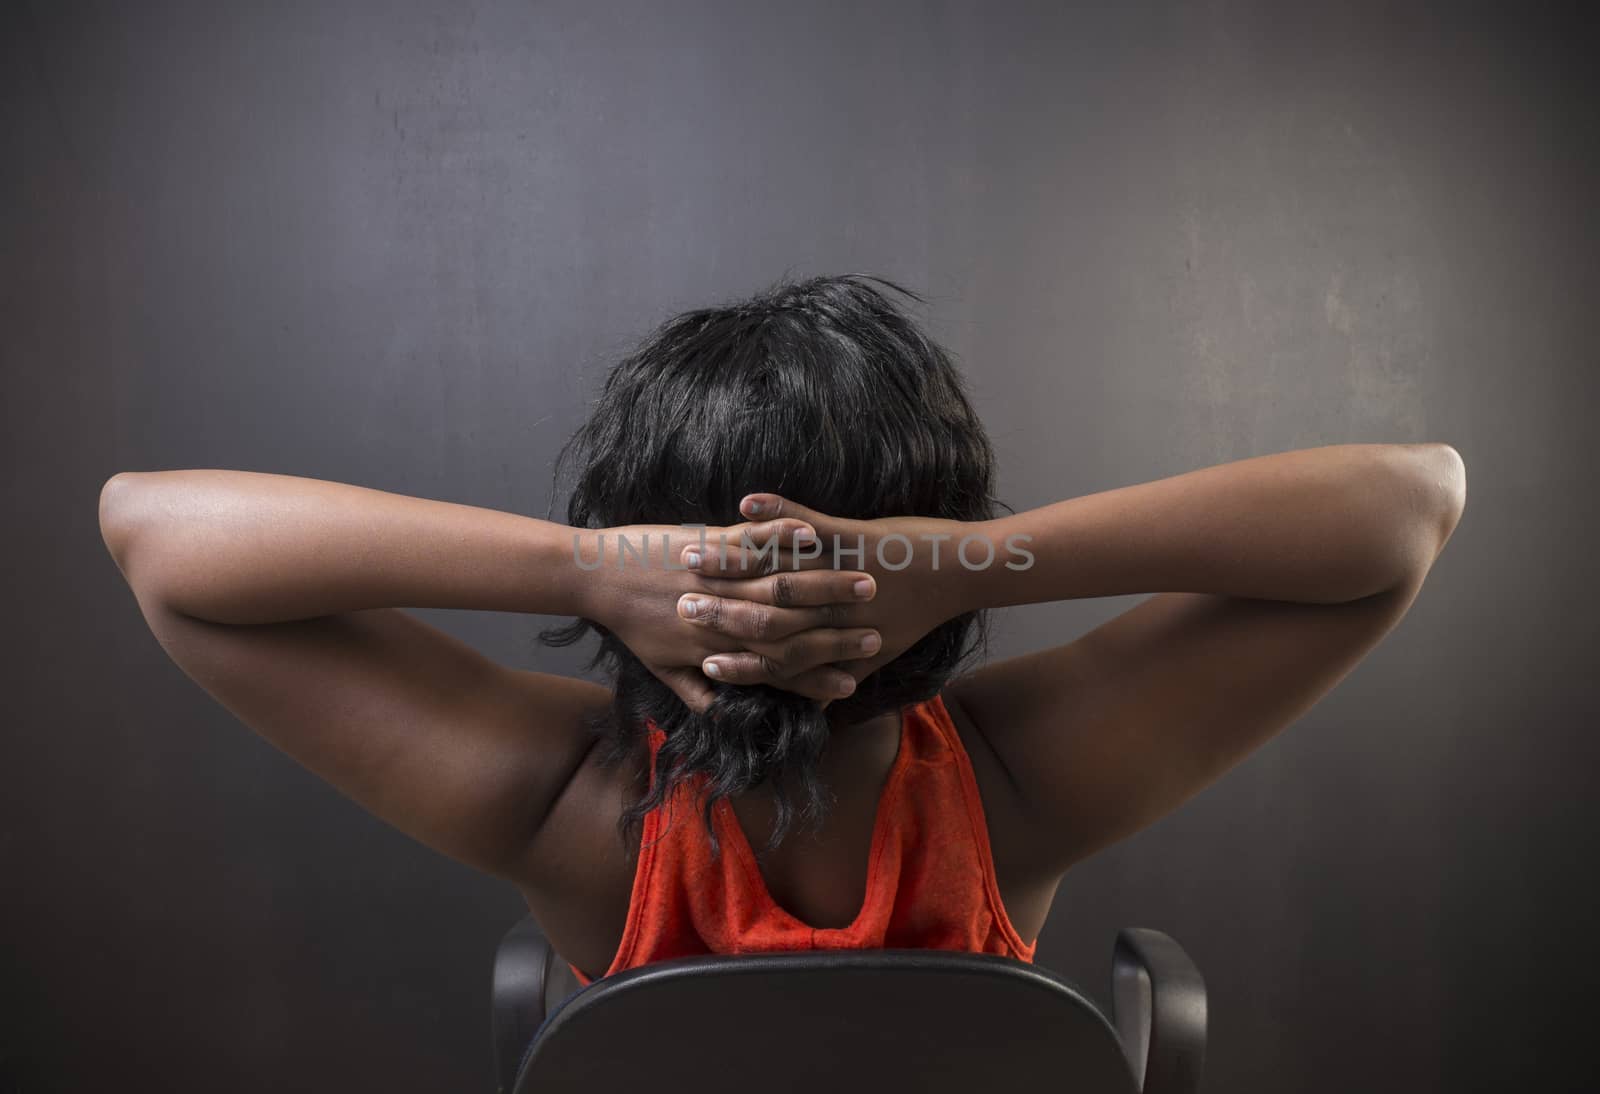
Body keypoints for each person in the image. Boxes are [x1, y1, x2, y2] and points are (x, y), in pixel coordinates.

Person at [96, 273, 1466, 989]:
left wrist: (580, 572)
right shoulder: (1016, 785)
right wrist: (977, 561)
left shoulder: (575, 812)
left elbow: (152, 535)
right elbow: (1410, 507)